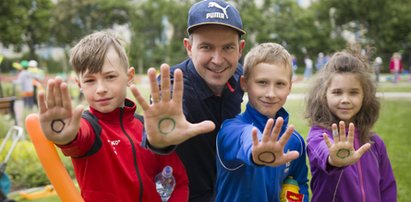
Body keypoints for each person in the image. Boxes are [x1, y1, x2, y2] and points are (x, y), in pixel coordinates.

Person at [37, 31, 189, 202]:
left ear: (129, 77)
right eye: (90, 80)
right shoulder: (89, 127)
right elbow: (78, 138)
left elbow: (179, 181)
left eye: (110, 77)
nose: (100, 88)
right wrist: (65, 138)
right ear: (79, 84)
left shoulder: (147, 127)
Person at [141, 1, 246, 201]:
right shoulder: (173, 84)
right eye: (206, 47)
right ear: (189, 47)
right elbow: (165, 119)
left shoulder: (240, 76)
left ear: (240, 49)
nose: (217, 59)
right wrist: (161, 141)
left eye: (227, 47)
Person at [215, 43, 309, 202]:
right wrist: (255, 151)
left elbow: (299, 183)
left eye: (280, 84)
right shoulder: (230, 129)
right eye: (262, 83)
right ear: (244, 83)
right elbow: (245, 137)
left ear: (289, 87)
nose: (271, 94)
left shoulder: (295, 141)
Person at [305, 49, 397, 202]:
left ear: (364, 96)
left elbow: (387, 187)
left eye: (353, 93)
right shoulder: (319, 135)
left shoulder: (374, 143)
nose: (345, 99)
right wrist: (333, 160)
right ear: (324, 95)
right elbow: (323, 150)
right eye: (337, 92)